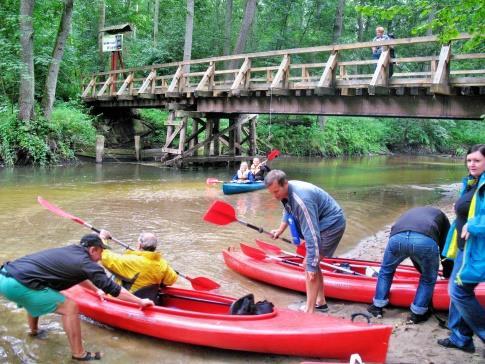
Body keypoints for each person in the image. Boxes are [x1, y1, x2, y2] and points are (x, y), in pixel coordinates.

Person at [0, 234, 153, 361]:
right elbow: (113, 289)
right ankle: (79, 354)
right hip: (19, 286)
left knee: (40, 290)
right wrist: (140, 301)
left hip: (6, 276)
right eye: (101, 252)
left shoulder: (72, 251)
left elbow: (78, 276)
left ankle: (33, 331)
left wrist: (96, 290)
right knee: (70, 307)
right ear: (93, 250)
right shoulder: (88, 264)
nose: (101, 257)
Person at [265, 169, 346, 314]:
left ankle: (309, 310)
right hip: (323, 224)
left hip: (332, 225)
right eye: (272, 192)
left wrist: (311, 263)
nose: (274, 196)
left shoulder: (302, 200)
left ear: (285, 184)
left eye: (276, 192)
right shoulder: (286, 193)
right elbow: (287, 210)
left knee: (309, 265)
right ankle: (320, 302)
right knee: (311, 265)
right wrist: (280, 230)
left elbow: (311, 234)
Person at [367, 206, 453, 324]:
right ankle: (417, 314)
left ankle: (377, 307)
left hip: (397, 238)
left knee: (386, 271)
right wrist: (447, 273)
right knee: (428, 279)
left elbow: (405, 241)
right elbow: (446, 248)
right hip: (424, 241)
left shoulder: (411, 212)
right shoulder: (441, 217)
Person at [437, 144, 485, 354]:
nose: (472, 164)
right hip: (464, 249)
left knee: (459, 292)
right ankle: (460, 338)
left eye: (477, 160)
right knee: (455, 291)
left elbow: (475, 220)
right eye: (469, 160)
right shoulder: (471, 183)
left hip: (478, 250)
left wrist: (472, 225)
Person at [99, 230, 178, 295]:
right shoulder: (162, 264)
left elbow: (105, 257)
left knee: (114, 274)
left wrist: (102, 238)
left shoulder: (132, 261)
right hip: (148, 299)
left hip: (129, 300)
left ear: (139, 245)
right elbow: (172, 279)